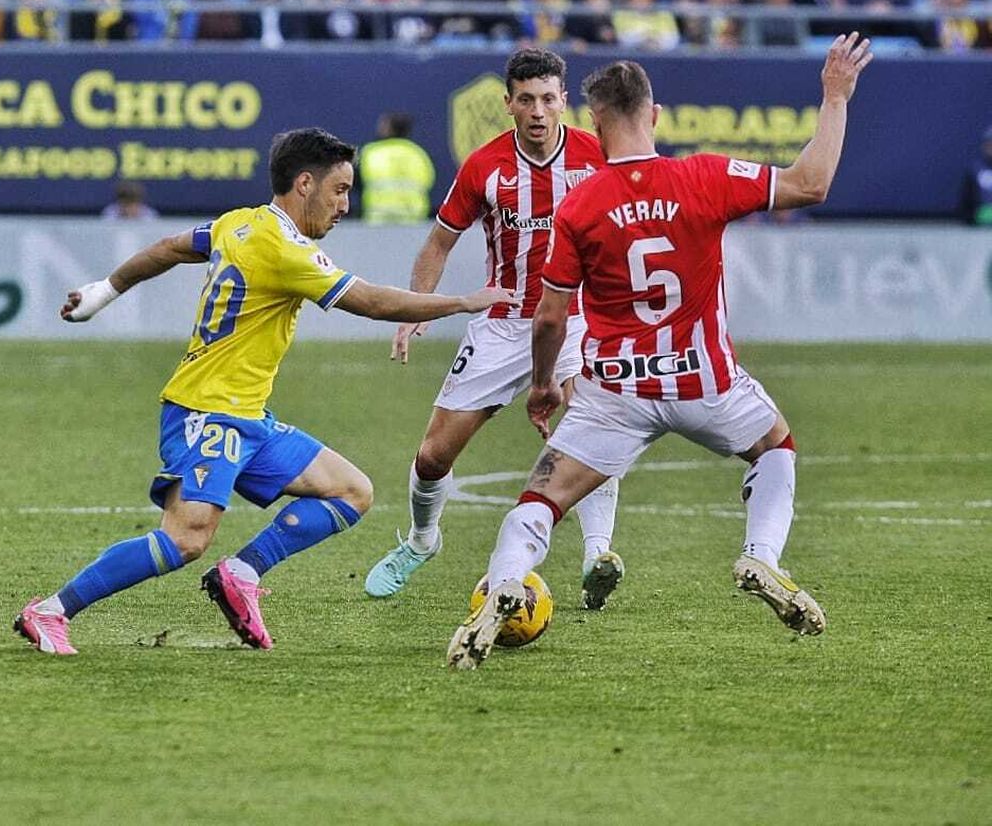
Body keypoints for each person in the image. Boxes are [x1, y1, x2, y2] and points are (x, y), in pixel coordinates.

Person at [447, 37, 873, 670]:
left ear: (592, 121)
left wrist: (542, 385)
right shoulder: (703, 176)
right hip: (706, 381)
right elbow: (812, 183)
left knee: (540, 501)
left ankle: (506, 580)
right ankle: (760, 553)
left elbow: (550, 316)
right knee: (775, 446)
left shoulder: (581, 204)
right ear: (656, 116)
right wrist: (834, 95)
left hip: (616, 390)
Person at [14, 128, 517, 655]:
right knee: (186, 538)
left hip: (246, 415)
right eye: (339, 190)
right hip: (206, 411)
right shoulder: (287, 250)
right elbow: (372, 302)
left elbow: (166, 248)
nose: (345, 205)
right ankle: (51, 610)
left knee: (351, 491)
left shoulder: (238, 223)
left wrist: (103, 291)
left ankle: (242, 573)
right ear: (304, 183)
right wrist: (461, 302)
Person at [365, 49, 622, 607]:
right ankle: (421, 541)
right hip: (503, 326)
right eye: (525, 99)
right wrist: (416, 308)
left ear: (563, 101)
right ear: (507, 103)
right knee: (433, 456)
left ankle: (597, 554)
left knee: (591, 425)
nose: (537, 111)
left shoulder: (595, 154)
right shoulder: (485, 166)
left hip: (578, 320)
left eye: (548, 99)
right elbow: (438, 243)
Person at [357, 111, 435, 225]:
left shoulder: (370, 152)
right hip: (413, 220)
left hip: (377, 220)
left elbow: (354, 182)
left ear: (389, 129)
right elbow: (429, 182)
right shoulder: (418, 154)